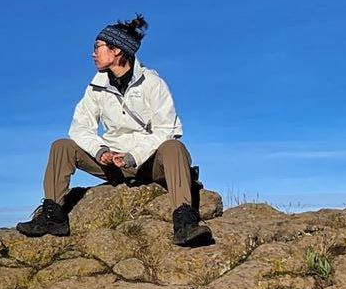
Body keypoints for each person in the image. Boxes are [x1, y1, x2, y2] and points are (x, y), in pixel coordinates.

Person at [17, 15, 211, 246]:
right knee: (61, 146)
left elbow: (167, 129)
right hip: (112, 165)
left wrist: (134, 157)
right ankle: (53, 215)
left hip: (149, 163)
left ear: (117, 50)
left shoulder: (152, 84)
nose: (92, 53)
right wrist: (100, 151)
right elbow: (80, 128)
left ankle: (185, 221)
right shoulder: (96, 87)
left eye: (97, 47)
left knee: (174, 147)